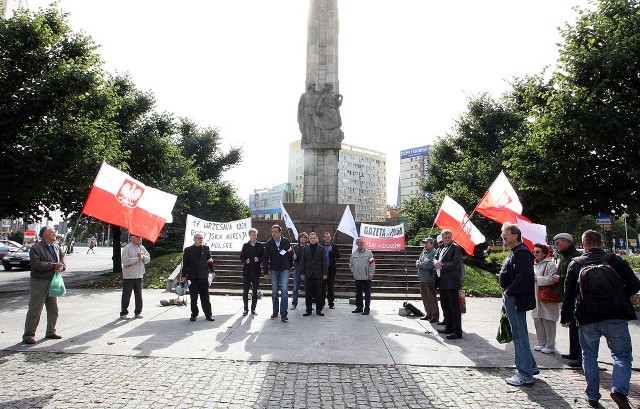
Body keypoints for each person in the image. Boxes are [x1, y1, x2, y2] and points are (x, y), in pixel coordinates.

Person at [561, 230, 640, 408]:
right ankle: (619, 389)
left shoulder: (576, 263)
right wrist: (618, 296)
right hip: (616, 315)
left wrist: (565, 317)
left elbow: (569, 294)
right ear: (602, 244)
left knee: (589, 356)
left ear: (584, 244)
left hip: (587, 316)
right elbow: (635, 284)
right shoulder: (615, 260)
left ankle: (592, 396)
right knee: (621, 355)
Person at [499, 222, 539, 386]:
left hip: (516, 299)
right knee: (519, 334)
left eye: (505, 233)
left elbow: (522, 278)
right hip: (513, 297)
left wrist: (509, 292)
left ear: (515, 235)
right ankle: (530, 366)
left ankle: (524, 374)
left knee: (519, 336)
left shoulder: (521, 253)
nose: (503, 236)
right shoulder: (515, 252)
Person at [22, 226, 65, 344]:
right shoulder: (36, 248)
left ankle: (51, 331)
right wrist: (53, 266)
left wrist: (61, 267)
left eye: (54, 232)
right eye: (51, 232)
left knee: (53, 309)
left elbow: (62, 262)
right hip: (39, 281)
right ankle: (28, 335)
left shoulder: (56, 247)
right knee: (35, 309)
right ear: (44, 234)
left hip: (53, 281)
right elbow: (37, 264)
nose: (54, 233)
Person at [553, 232, 583, 367]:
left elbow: (575, 277)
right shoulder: (565, 256)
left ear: (567, 242)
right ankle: (573, 351)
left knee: (576, 326)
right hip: (566, 295)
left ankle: (579, 355)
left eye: (558, 243)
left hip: (574, 297)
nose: (556, 246)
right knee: (571, 325)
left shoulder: (575, 256)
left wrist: (559, 278)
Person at [434, 229, 463, 339]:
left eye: (449, 237)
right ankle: (449, 326)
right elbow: (435, 258)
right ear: (442, 238)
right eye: (445, 238)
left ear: (451, 237)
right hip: (442, 281)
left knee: (454, 308)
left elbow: (456, 264)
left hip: (451, 282)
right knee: (445, 305)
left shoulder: (456, 248)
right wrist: (435, 262)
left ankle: (457, 330)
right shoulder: (440, 248)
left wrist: (442, 265)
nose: (447, 239)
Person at [531, 243, 559, 354]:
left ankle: (550, 345)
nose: (535, 253)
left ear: (544, 254)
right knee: (537, 320)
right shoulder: (533, 264)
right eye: (534, 251)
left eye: (537, 251)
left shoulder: (550, 265)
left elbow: (551, 279)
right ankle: (541, 342)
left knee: (548, 320)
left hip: (547, 296)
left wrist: (537, 279)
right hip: (535, 296)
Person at [263, 225, 294, 322]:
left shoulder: (285, 241)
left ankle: (284, 314)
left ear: (280, 232)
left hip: (284, 268)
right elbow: (265, 258)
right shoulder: (269, 243)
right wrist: (265, 271)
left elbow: (290, 254)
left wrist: (290, 266)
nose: (274, 233)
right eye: (272, 232)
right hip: (274, 269)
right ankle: (275, 312)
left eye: (275, 232)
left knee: (284, 291)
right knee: (275, 291)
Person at [182, 233, 215, 322]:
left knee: (205, 297)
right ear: (194, 239)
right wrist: (183, 276)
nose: (201, 240)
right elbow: (185, 264)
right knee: (193, 297)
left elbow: (209, 260)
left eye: (202, 238)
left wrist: (212, 271)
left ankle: (208, 315)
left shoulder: (206, 248)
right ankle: (194, 314)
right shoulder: (188, 250)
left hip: (203, 277)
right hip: (192, 278)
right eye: (199, 238)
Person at [120, 234, 150, 319]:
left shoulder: (142, 248)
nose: (139, 239)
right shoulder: (127, 248)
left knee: (138, 295)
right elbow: (125, 261)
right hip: (129, 275)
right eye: (137, 238)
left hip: (139, 275)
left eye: (140, 238)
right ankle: (123, 312)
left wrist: (143, 256)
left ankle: (138, 312)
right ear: (132, 238)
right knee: (126, 294)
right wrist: (137, 259)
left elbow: (148, 259)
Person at [299, 232, 327, 316]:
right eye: (311, 238)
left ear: (317, 238)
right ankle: (308, 310)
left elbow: (324, 262)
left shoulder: (321, 248)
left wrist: (325, 273)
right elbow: (302, 262)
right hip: (308, 274)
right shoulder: (305, 248)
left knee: (319, 292)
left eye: (314, 238)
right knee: (308, 293)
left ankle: (319, 310)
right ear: (309, 239)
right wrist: (302, 273)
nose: (312, 240)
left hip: (318, 274)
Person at [240, 228, 264, 316]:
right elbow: (241, 257)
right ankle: (245, 309)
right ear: (249, 235)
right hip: (247, 272)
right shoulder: (245, 245)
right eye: (253, 235)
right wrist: (245, 260)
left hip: (256, 271)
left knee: (255, 291)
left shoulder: (260, 245)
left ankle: (253, 309)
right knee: (245, 291)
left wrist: (259, 259)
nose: (255, 237)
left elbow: (263, 256)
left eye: (256, 235)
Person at [349, 237, 375, 315]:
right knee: (358, 293)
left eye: (362, 242)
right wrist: (354, 271)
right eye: (359, 242)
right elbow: (351, 264)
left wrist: (371, 274)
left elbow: (372, 264)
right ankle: (359, 307)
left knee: (367, 293)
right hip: (357, 277)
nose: (361, 243)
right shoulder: (354, 253)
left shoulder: (369, 253)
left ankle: (367, 308)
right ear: (357, 244)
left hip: (366, 277)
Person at [416, 237, 439, 322]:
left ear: (432, 244)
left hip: (430, 279)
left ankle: (435, 315)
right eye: (424, 243)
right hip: (422, 278)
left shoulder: (434, 252)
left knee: (431, 298)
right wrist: (419, 263)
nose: (425, 244)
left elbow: (429, 264)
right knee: (425, 297)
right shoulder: (424, 251)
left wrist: (419, 264)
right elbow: (419, 260)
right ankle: (428, 313)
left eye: (427, 243)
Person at [322, 231, 341, 309]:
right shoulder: (321, 246)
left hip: (331, 270)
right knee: (322, 287)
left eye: (328, 237)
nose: (327, 238)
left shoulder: (334, 246)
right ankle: (322, 303)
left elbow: (338, 256)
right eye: (326, 237)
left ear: (330, 237)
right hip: (323, 270)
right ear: (323, 238)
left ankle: (331, 303)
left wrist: (331, 251)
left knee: (330, 287)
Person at [291, 232, 308, 310]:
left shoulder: (308, 247)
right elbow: (291, 259)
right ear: (299, 239)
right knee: (295, 288)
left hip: (307, 270)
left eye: (304, 237)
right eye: (301, 237)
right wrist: (293, 258)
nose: (303, 239)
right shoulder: (295, 247)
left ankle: (308, 304)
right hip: (297, 270)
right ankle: (294, 304)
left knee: (308, 288)